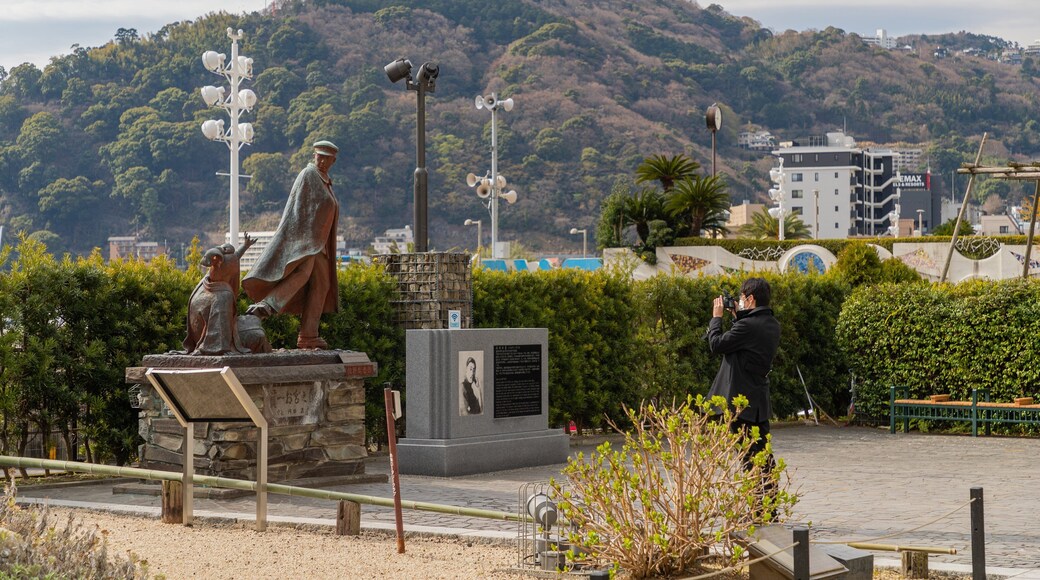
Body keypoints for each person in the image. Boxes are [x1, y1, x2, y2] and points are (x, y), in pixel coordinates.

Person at [242, 140, 340, 349]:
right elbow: (297, 212)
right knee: (302, 275)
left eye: (326, 158)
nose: (321, 160)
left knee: (322, 286)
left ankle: (309, 335)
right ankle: (265, 307)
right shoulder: (309, 174)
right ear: (314, 156)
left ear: (333, 160)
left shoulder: (325, 180)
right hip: (307, 243)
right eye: (319, 156)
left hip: (319, 243)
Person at [706, 277, 781, 466]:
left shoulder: (747, 326)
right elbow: (745, 343)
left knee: (748, 456)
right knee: (762, 453)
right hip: (758, 400)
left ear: (750, 299)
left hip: (741, 403)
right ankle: (768, 494)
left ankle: (757, 494)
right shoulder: (772, 323)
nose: (740, 301)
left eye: (741, 298)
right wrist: (738, 316)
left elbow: (716, 344)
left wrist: (716, 318)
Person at [183, 235, 256, 355]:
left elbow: (235, 256)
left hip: (198, 335)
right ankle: (220, 347)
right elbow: (206, 261)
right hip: (209, 342)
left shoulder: (208, 283)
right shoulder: (222, 295)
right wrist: (224, 348)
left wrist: (245, 246)